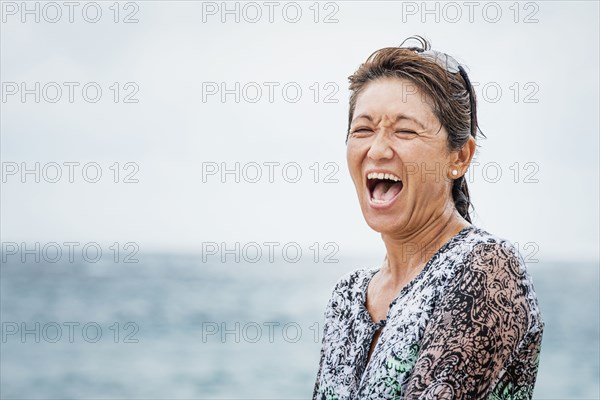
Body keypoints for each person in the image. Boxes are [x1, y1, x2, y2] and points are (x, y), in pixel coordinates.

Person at [312, 36, 545, 399]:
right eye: (363, 129)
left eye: (405, 131)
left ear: (459, 158)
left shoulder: (486, 267)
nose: (377, 148)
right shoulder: (348, 297)